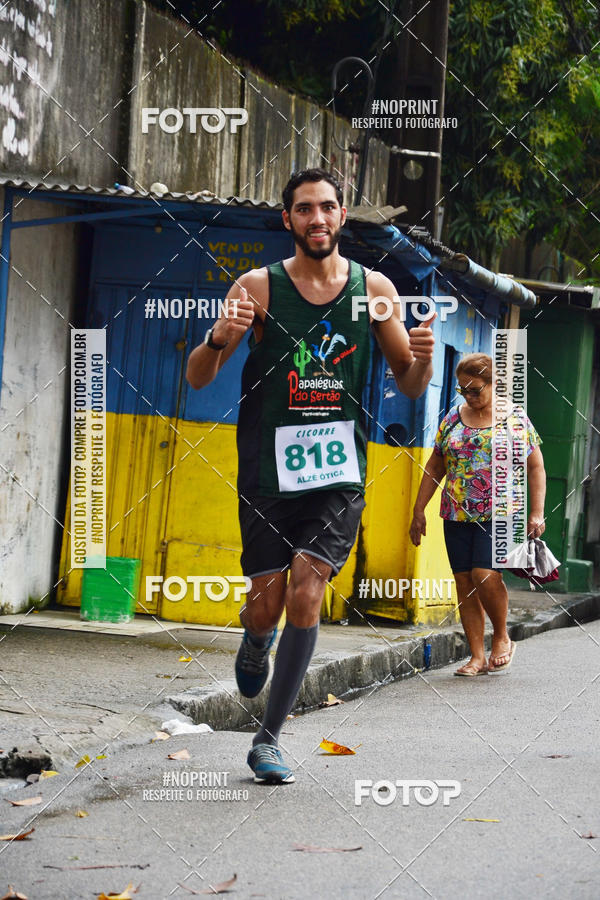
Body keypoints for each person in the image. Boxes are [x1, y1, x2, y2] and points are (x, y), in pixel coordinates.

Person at [186, 167, 435, 783]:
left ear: (342, 215)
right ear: (288, 219)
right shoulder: (258, 287)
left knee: (306, 588)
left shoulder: (375, 288)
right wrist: (219, 339)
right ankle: (254, 639)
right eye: (304, 209)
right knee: (266, 607)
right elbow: (197, 376)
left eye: (327, 208)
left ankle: (269, 738)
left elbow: (406, 379)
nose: (317, 219)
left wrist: (424, 365)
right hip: (268, 473)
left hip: (338, 474)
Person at [409, 352, 546, 676]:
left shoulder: (515, 418)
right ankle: (476, 656)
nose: (469, 396)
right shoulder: (453, 419)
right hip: (455, 514)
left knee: (485, 575)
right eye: (463, 390)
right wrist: (418, 511)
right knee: (463, 582)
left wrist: (537, 512)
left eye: (475, 390)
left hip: (501, 514)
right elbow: (435, 466)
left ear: (492, 384)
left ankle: (501, 636)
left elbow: (536, 465)